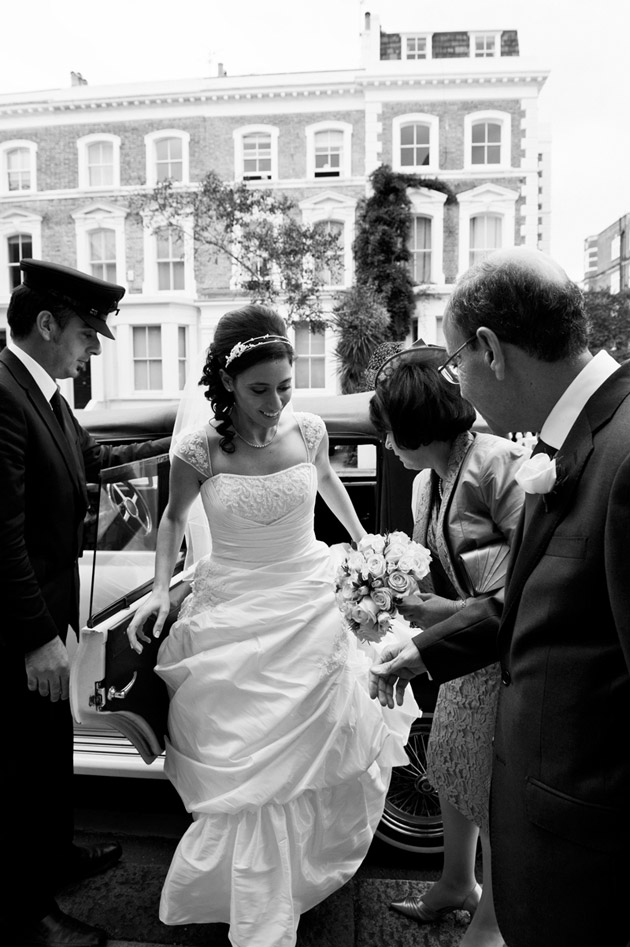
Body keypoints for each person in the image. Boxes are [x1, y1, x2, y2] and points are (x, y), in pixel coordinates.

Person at [126, 304, 418, 947]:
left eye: (285, 385)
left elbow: (326, 484)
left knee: (326, 745)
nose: (275, 402)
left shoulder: (307, 430)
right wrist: (157, 591)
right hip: (232, 602)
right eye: (260, 389)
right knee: (246, 766)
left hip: (310, 593)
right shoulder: (198, 446)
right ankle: (252, 902)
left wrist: (367, 543)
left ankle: (296, 881)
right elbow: (173, 520)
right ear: (227, 383)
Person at [369, 247, 630, 947]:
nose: (458, 386)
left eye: (455, 362)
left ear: (490, 348)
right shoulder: (570, 443)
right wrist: (421, 651)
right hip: (547, 839)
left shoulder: (622, 452)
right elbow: (532, 607)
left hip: (592, 858)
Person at [1, 259, 172, 947]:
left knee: (47, 751)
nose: (92, 348)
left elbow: (96, 462)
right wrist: (38, 636)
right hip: (21, 628)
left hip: (50, 614)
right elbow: (2, 535)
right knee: (16, 768)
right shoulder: (5, 396)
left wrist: (180, 449)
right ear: (46, 325)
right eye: (85, 333)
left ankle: (55, 857)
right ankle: (26, 912)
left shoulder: (42, 396)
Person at [369, 346, 527, 947]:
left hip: (505, 655)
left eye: (389, 432)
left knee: (490, 785)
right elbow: (432, 578)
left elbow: (525, 586)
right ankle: (456, 882)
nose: (386, 445)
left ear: (414, 426)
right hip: (462, 656)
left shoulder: (500, 464)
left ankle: (492, 920)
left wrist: (440, 616)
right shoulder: (423, 484)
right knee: (451, 763)